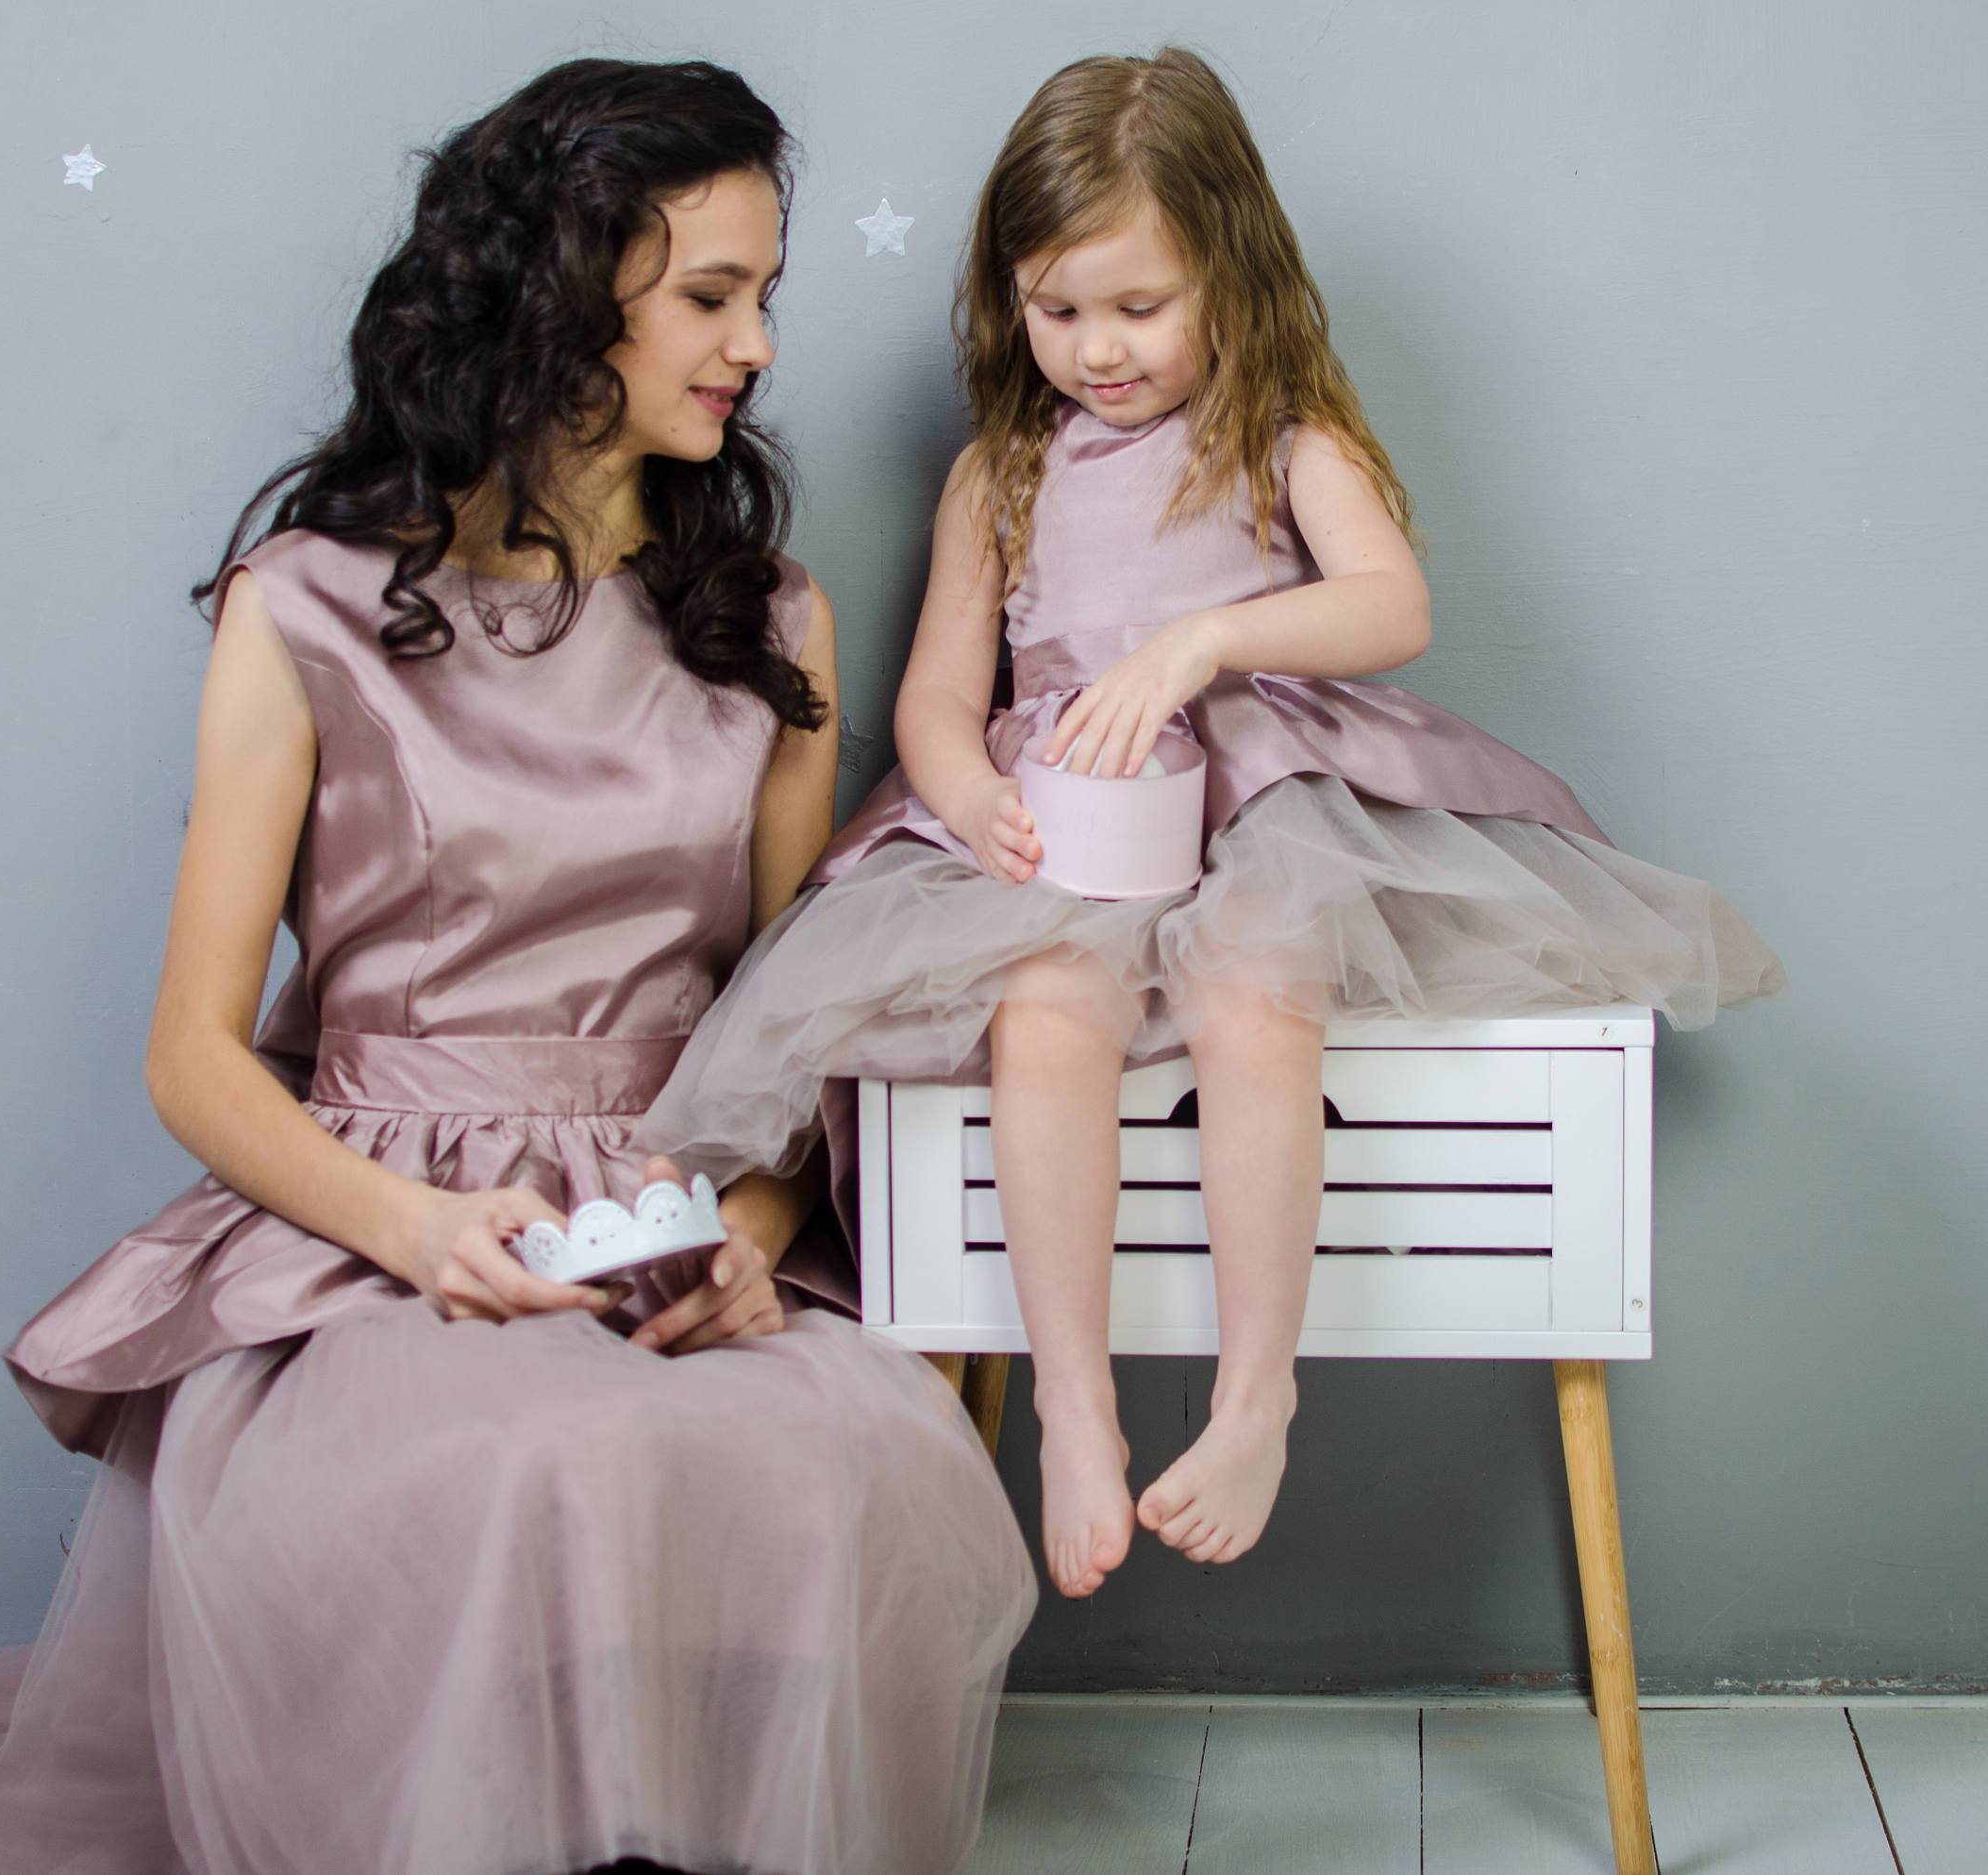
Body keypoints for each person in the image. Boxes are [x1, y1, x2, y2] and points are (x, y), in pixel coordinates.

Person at [0, 58, 1034, 1875]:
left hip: (664, 1209)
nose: (757, 345)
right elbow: (197, 1061)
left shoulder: (771, 620)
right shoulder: (302, 605)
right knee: (527, 1459)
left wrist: (751, 1248)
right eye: (711, 296)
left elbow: (786, 1034)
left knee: (841, 1462)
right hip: (385, 1225)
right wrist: (422, 1235)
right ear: (559, 290)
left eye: (767, 295)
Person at [636, 45, 1784, 1602]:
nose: (1097, 349)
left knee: (1259, 991)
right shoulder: (1004, 472)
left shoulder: (1284, 440)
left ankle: (1258, 1393)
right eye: (1057, 309)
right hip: (1066, 818)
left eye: (1138, 307)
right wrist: (967, 786)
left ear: (1229, 278)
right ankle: (1080, 1413)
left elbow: (1392, 606)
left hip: (1253, 807)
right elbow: (929, 698)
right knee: (1045, 1013)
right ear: (1011, 297)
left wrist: (1203, 644)